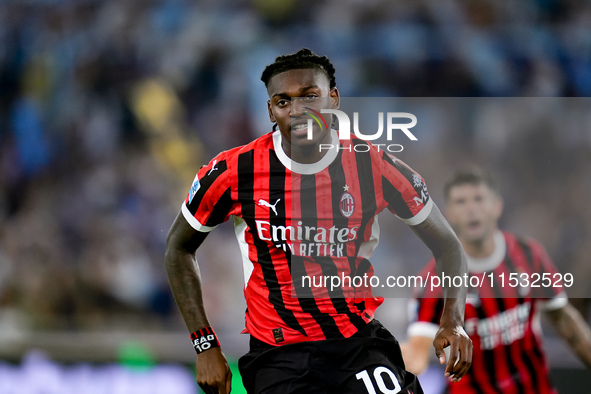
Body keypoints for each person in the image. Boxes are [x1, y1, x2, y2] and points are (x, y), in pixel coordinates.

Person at [164, 48, 472, 394]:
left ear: (333, 99)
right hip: (279, 356)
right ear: (270, 110)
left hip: (358, 344)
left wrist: (454, 321)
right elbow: (178, 247)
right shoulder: (235, 170)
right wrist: (205, 345)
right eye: (283, 101)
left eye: (310, 96)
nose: (297, 111)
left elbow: (448, 245)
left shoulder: (374, 166)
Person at [402, 168, 591, 393]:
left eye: (479, 199)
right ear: (449, 213)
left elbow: (562, 317)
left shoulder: (528, 254)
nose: (471, 209)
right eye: (461, 202)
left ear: (497, 206)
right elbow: (417, 353)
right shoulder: (434, 279)